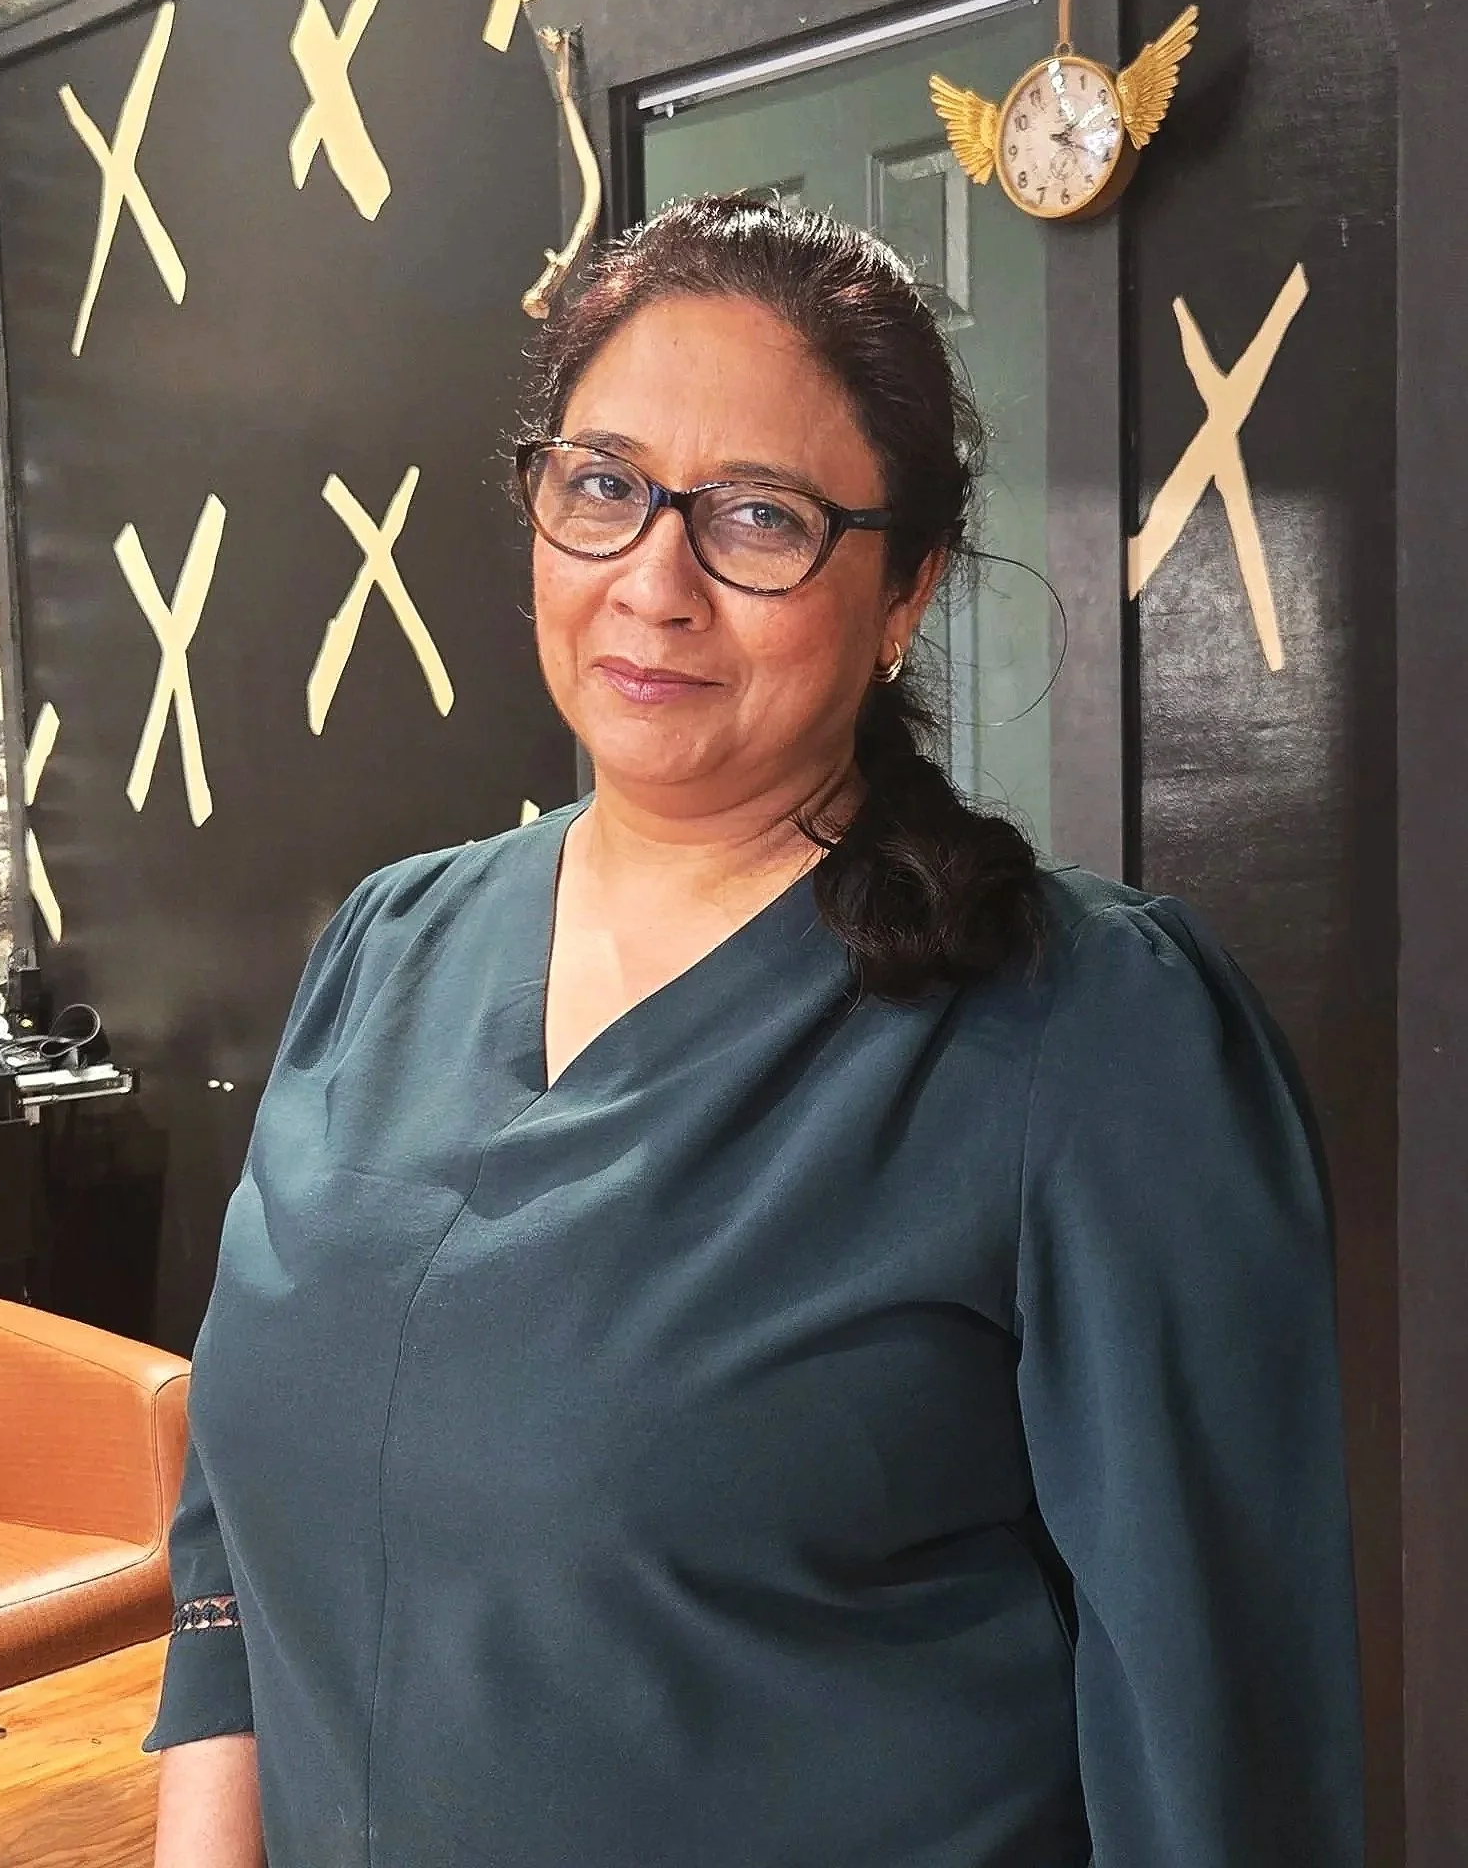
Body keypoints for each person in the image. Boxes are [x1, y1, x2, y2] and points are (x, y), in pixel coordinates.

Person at [145, 195, 1363, 1868]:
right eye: (603, 486)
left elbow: (1214, 1739)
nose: (655, 581)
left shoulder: (1086, 1030)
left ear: (903, 591)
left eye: (762, 520)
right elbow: (233, 1518)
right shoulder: (390, 941)